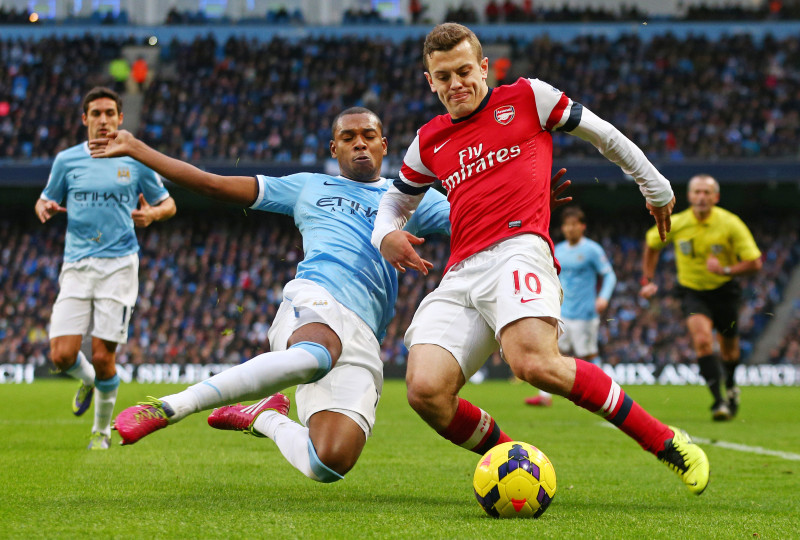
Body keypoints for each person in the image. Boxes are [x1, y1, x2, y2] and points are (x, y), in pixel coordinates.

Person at [371, 22, 709, 495]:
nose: (456, 85)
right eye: (443, 77)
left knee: (533, 363)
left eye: (464, 71)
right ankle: (519, 463)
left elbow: (603, 133)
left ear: (484, 67)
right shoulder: (429, 140)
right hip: (461, 272)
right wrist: (385, 233)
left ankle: (666, 442)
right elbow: (394, 201)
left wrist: (654, 185)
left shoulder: (530, 97)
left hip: (519, 251)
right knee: (425, 391)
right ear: (430, 81)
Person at [88, 108, 454, 483]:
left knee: (328, 463)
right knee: (318, 354)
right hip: (316, 295)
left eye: (368, 135)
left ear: (383, 144)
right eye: (348, 137)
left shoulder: (411, 200)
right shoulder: (309, 186)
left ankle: (262, 415)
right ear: (333, 148)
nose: (359, 142)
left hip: (365, 330)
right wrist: (136, 148)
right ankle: (173, 406)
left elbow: (470, 217)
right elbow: (212, 184)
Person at [35, 86, 176, 450]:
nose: (103, 120)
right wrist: (44, 206)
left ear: (119, 118)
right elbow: (47, 197)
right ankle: (88, 381)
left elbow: (168, 203)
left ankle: (100, 434)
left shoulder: (135, 161)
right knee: (61, 356)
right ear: (85, 119)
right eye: (96, 114)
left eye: (109, 113)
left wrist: (152, 214)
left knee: (103, 356)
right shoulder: (67, 161)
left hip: (119, 266)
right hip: (77, 265)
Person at [639, 174, 762, 421]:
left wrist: (726, 269)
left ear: (716, 197)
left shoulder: (731, 223)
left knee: (730, 351)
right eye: (697, 192)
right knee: (703, 341)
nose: (702, 197)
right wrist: (647, 279)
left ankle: (731, 384)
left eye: (707, 192)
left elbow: (755, 263)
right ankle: (719, 401)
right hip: (692, 292)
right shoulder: (678, 222)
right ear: (689, 196)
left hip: (725, 291)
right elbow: (652, 243)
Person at [525, 206, 616, 407]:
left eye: (574, 224)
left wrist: (603, 298)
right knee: (550, 351)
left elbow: (609, 275)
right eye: (566, 225)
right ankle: (544, 396)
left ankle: (608, 395)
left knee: (588, 355)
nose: (570, 228)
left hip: (586, 313)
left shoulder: (592, 250)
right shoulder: (558, 250)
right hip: (562, 311)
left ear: (582, 227)